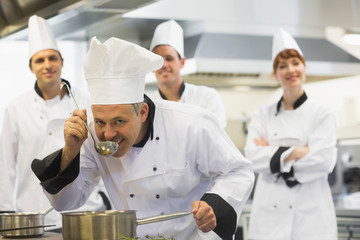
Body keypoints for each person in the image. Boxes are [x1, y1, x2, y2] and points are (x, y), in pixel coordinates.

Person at [31, 36, 254, 240]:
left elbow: (238, 171)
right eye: (100, 122)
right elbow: (66, 203)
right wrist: (70, 150)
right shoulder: (91, 137)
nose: (108, 134)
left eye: (119, 121)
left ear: (143, 112)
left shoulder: (191, 124)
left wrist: (214, 205)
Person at [0, 15, 110, 230]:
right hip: (33, 214)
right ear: (31, 68)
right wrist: (4, 210)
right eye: (40, 60)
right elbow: (5, 163)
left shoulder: (86, 102)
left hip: (82, 212)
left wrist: (104, 199)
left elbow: (104, 156)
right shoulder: (16, 108)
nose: (47, 65)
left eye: (52, 58)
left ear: (62, 62)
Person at [244, 28, 337, 240]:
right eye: (282, 65)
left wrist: (272, 154)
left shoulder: (321, 113)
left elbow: (323, 161)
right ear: (275, 74)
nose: (290, 70)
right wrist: (297, 152)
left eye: (295, 63)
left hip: (311, 220)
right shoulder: (262, 114)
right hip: (269, 220)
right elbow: (252, 157)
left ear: (304, 67)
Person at [149, 19, 227, 128]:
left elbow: (215, 138)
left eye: (169, 58)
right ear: (151, 65)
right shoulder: (147, 104)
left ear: (182, 62)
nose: (164, 65)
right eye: (159, 60)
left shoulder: (207, 97)